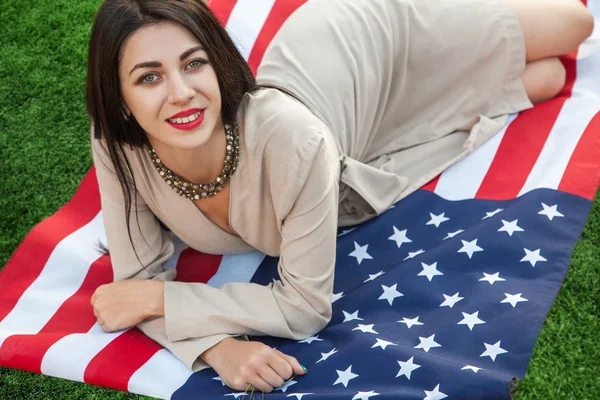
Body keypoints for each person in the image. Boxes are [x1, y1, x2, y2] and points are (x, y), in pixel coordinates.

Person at [87, 0, 593, 393]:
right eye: (149, 77)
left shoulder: (292, 141)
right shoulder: (116, 144)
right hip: (362, 123)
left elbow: (303, 307)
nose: (180, 93)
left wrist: (161, 298)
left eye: (192, 64)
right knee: (546, 79)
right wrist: (217, 350)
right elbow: (130, 289)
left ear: (216, 65)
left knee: (575, 24)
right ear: (122, 101)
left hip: (363, 39)